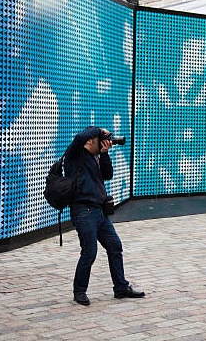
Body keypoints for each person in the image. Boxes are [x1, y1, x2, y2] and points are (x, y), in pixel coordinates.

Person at [64, 126, 144, 306]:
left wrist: (105, 153)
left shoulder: (96, 156)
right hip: (83, 212)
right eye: (99, 139)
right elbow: (80, 136)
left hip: (99, 212)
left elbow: (108, 175)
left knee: (115, 246)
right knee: (89, 253)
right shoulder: (75, 154)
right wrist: (99, 130)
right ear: (90, 141)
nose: (104, 141)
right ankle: (79, 291)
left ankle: (121, 288)